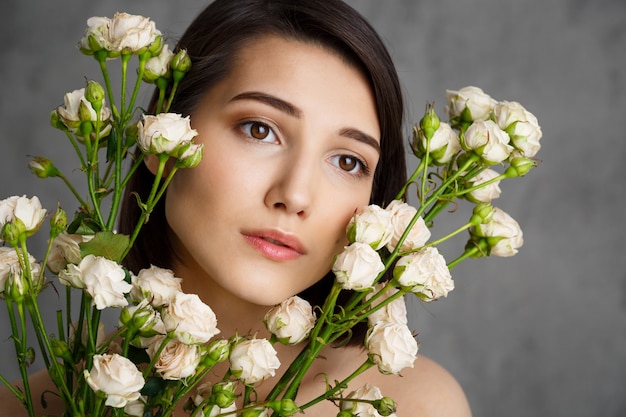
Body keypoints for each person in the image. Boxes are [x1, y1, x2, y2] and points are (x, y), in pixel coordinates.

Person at [1, 0, 472, 415]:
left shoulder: (411, 406)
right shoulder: (27, 405)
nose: (295, 195)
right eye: (259, 130)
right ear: (163, 135)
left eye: (347, 161)